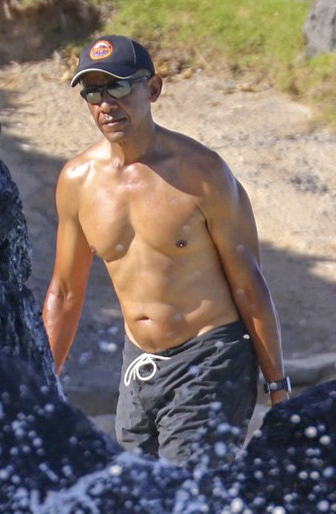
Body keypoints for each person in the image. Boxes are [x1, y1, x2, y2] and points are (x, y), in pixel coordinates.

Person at [42, 34, 290, 465]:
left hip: (211, 358)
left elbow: (249, 285)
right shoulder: (77, 182)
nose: (106, 103)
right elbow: (64, 292)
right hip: (139, 364)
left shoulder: (203, 174)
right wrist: (42, 386)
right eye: (93, 92)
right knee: (137, 504)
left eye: (118, 87)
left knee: (185, 500)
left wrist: (279, 389)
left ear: (152, 89)